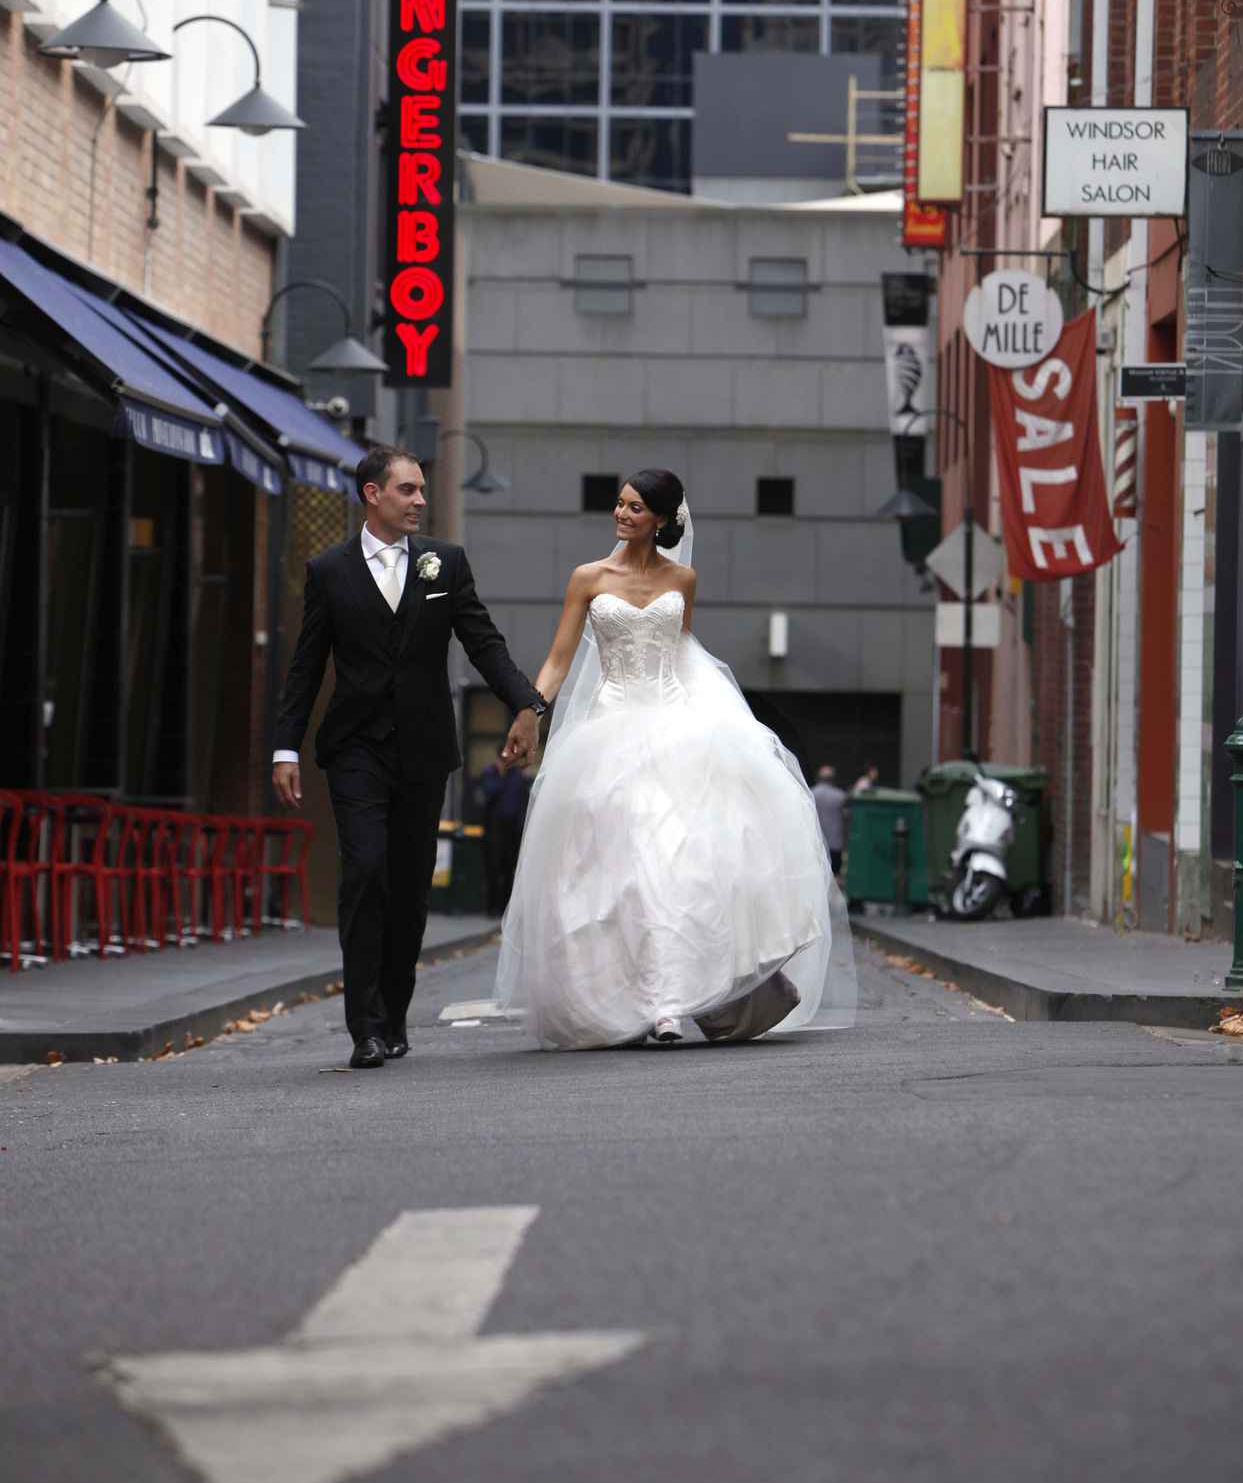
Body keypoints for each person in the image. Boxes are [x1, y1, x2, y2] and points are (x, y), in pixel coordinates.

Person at [494, 469, 855, 1049]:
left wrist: (721, 726)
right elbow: (561, 658)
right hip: (608, 730)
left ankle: (670, 1003)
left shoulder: (683, 579)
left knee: (676, 859)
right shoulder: (588, 578)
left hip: (675, 723)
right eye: (619, 504)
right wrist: (532, 711)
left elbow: (683, 651)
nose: (622, 514)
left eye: (635, 507)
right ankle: (626, 1000)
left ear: (662, 519)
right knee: (616, 866)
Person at [272, 446, 546, 1070]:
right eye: (408, 490)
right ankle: (363, 1026)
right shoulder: (329, 570)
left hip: (424, 750)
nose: (421, 499)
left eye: (422, 490)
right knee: (364, 870)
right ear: (373, 494)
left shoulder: (443, 563)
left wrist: (526, 703)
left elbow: (483, 641)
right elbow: (305, 668)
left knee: (408, 889)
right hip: (355, 750)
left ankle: (393, 1013)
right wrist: (285, 746)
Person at [479, 756, 530, 916]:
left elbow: (522, 801)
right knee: (493, 869)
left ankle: (504, 907)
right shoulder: (490, 773)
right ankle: (491, 907)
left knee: (509, 870)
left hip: (512, 829)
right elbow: (489, 794)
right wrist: (500, 776)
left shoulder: (517, 775)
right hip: (494, 829)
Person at [811, 765, 847, 882]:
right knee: (835, 875)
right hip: (835, 843)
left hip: (816, 841)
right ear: (833, 779)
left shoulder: (811, 794)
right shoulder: (841, 796)